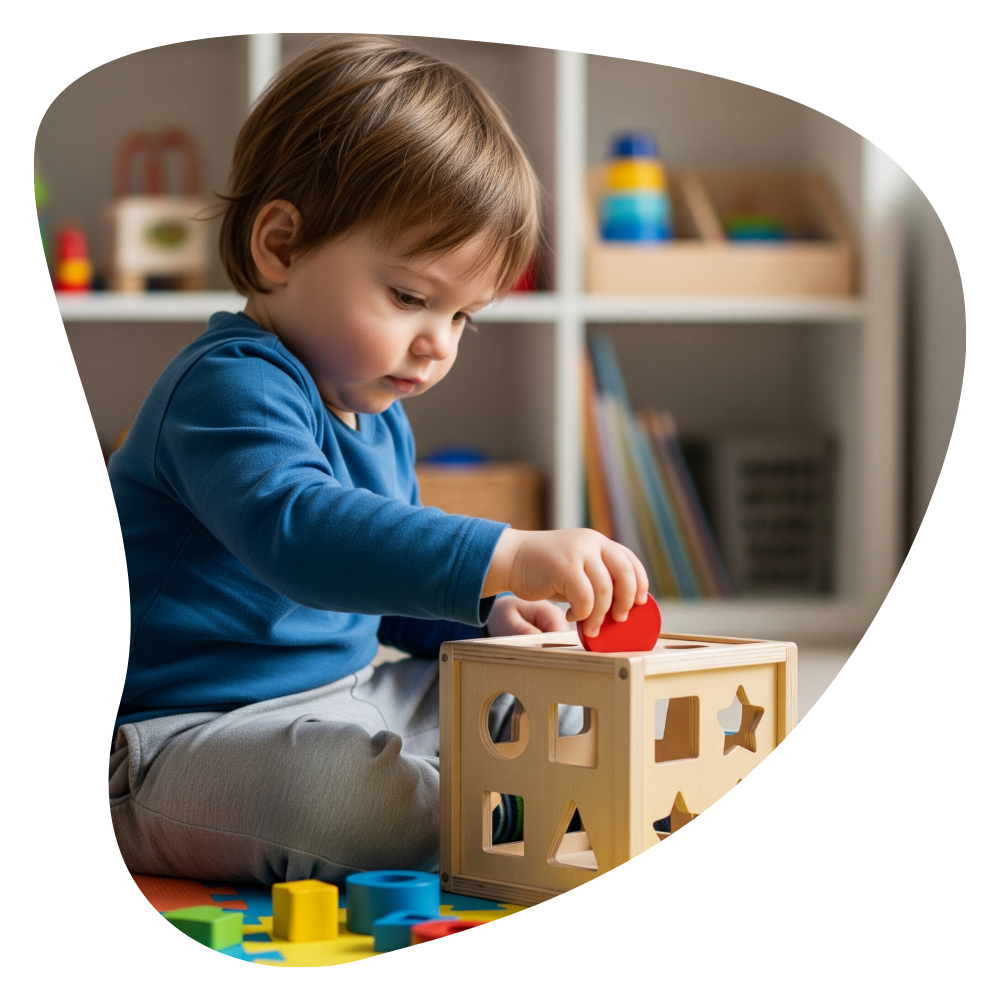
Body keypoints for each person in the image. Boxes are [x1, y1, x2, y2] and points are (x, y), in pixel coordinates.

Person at [108, 35, 648, 886]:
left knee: (530, 695)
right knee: (335, 791)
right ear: (279, 246)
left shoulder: (375, 406)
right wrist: (501, 552)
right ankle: (475, 810)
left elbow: (384, 598)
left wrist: (488, 613)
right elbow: (308, 539)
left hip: (354, 696)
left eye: (465, 317)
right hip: (181, 737)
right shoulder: (226, 390)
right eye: (409, 297)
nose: (437, 346)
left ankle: (484, 795)